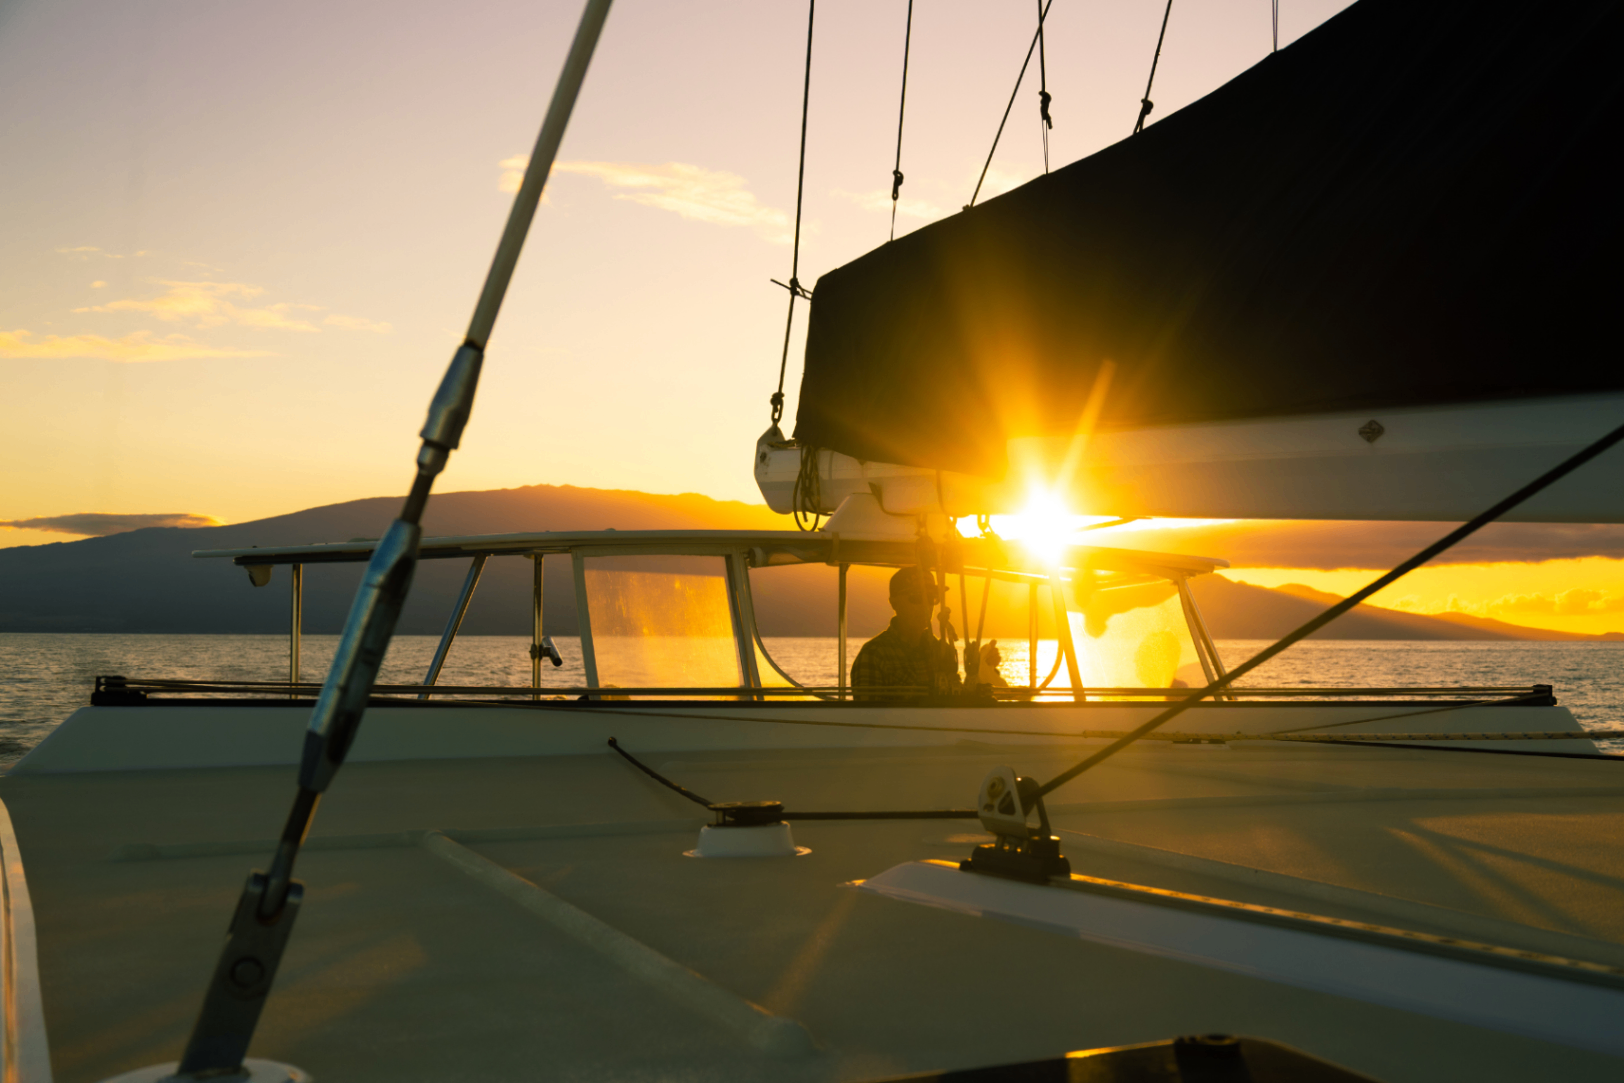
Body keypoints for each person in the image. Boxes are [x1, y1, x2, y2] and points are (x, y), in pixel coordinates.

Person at [850, 566, 962, 702]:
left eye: (931, 597)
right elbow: (868, 718)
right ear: (894, 602)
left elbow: (958, 704)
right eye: (916, 597)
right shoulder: (873, 655)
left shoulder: (941, 651)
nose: (926, 605)